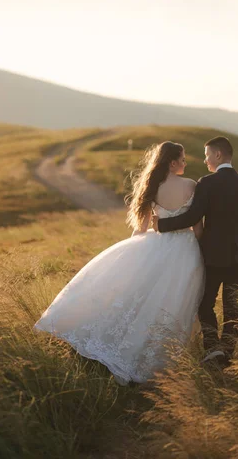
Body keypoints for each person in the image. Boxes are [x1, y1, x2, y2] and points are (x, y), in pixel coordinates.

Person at [34, 141, 204, 385]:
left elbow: (141, 229)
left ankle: (112, 341)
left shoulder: (151, 185)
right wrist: (203, 249)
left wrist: (133, 254)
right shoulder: (190, 186)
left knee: (138, 298)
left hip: (155, 246)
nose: (186, 164)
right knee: (171, 303)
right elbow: (197, 226)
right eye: (184, 159)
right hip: (185, 251)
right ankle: (157, 359)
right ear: (173, 162)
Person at [153, 136, 238, 367]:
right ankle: (226, 355)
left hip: (212, 257)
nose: (205, 160)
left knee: (205, 304)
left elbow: (193, 217)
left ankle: (212, 348)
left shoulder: (207, 183)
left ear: (218, 155)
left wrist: (161, 225)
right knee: (233, 307)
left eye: (207, 155)